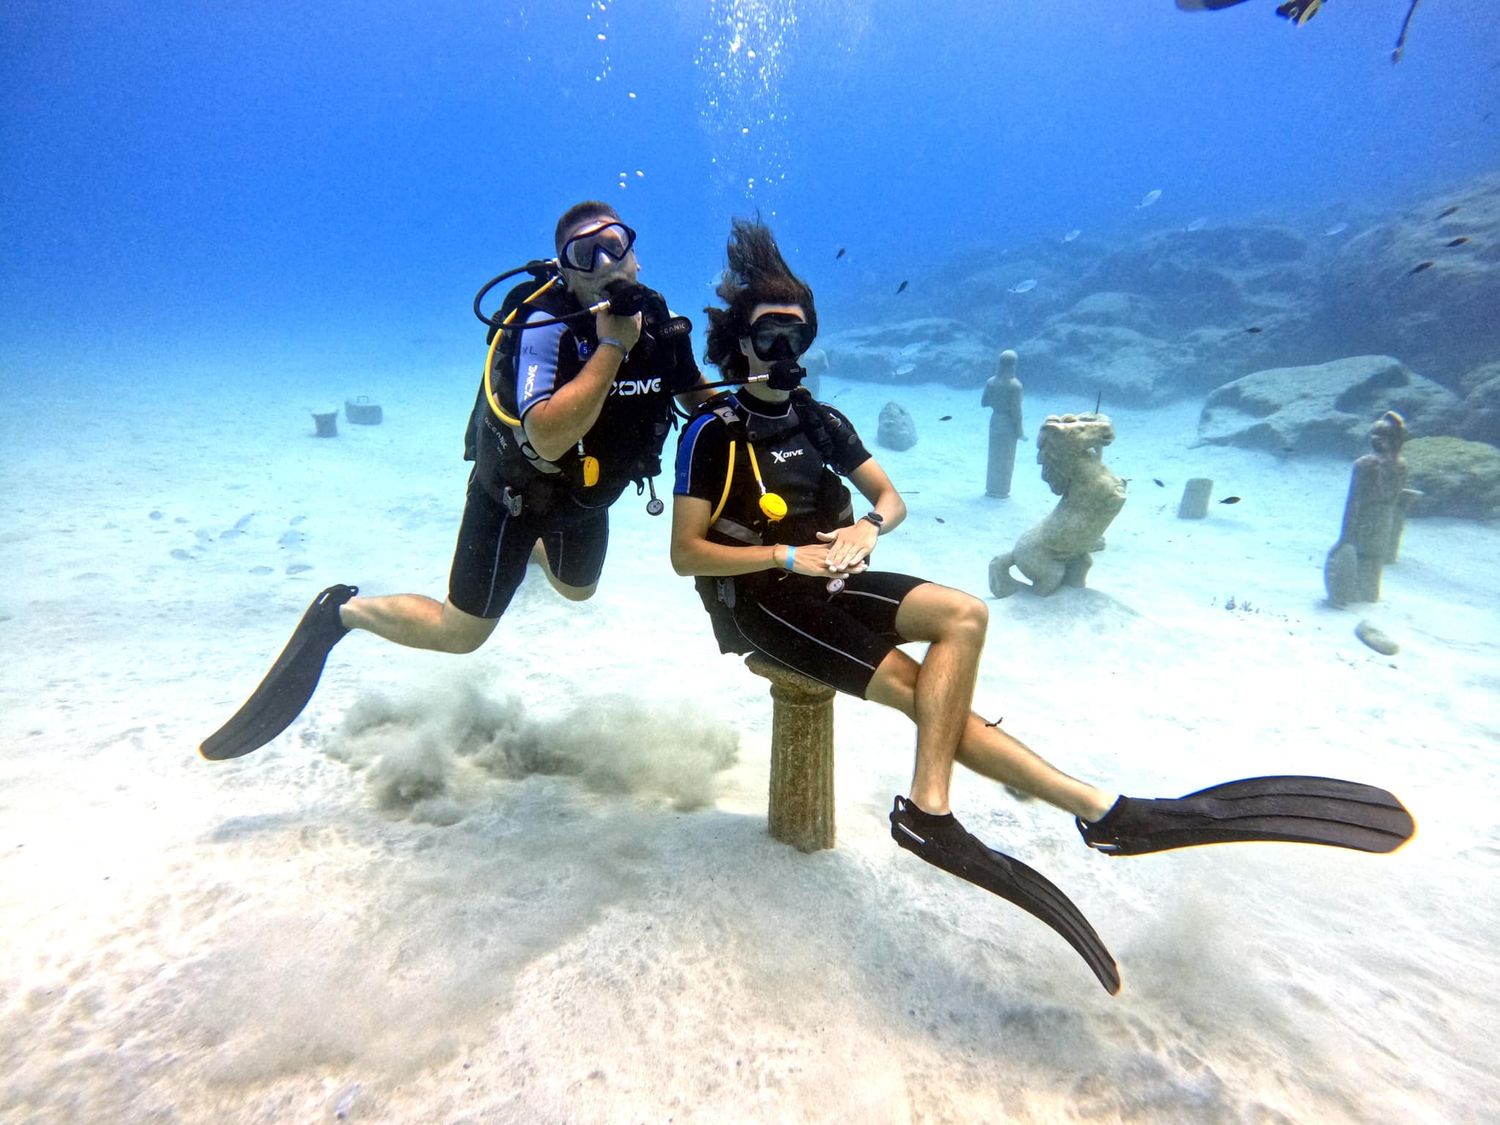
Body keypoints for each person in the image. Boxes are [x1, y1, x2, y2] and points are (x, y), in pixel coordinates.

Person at [669, 218, 1415, 994]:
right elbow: (685, 551)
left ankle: (937, 806)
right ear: (739, 346)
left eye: (797, 333)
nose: (785, 351)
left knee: (965, 614)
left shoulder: (822, 420)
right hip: (763, 596)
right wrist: (786, 554)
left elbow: (890, 497)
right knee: (913, 687)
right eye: (768, 336)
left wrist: (864, 525)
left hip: (830, 572)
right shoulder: (712, 432)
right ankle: (1098, 806)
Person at [201, 201, 706, 761]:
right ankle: (339, 614)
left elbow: (694, 395)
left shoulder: (658, 319)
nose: (607, 261)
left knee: (578, 591)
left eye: (617, 243)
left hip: (586, 498)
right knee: (459, 635)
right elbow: (548, 439)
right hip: (513, 498)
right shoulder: (543, 324)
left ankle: (535, 556)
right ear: (565, 269)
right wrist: (612, 346)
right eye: (585, 253)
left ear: (636, 255)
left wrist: (761, 413)